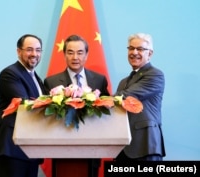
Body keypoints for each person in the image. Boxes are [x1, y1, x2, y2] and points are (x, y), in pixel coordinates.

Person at [44, 34, 110, 177]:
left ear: (86, 55)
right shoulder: (51, 82)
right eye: (70, 52)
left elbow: (107, 110)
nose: (75, 57)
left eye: (80, 52)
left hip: (92, 149)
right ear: (64, 55)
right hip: (62, 150)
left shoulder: (99, 80)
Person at [0, 34, 47, 177]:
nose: (34, 54)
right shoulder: (10, 74)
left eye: (38, 50)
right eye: (29, 49)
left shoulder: (36, 78)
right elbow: (25, 104)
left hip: (31, 150)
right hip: (12, 150)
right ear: (18, 51)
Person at [114, 33, 166, 162]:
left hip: (146, 145)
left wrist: (96, 100)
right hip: (124, 147)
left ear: (150, 53)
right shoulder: (123, 81)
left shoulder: (155, 75)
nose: (134, 52)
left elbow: (128, 96)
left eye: (140, 49)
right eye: (131, 48)